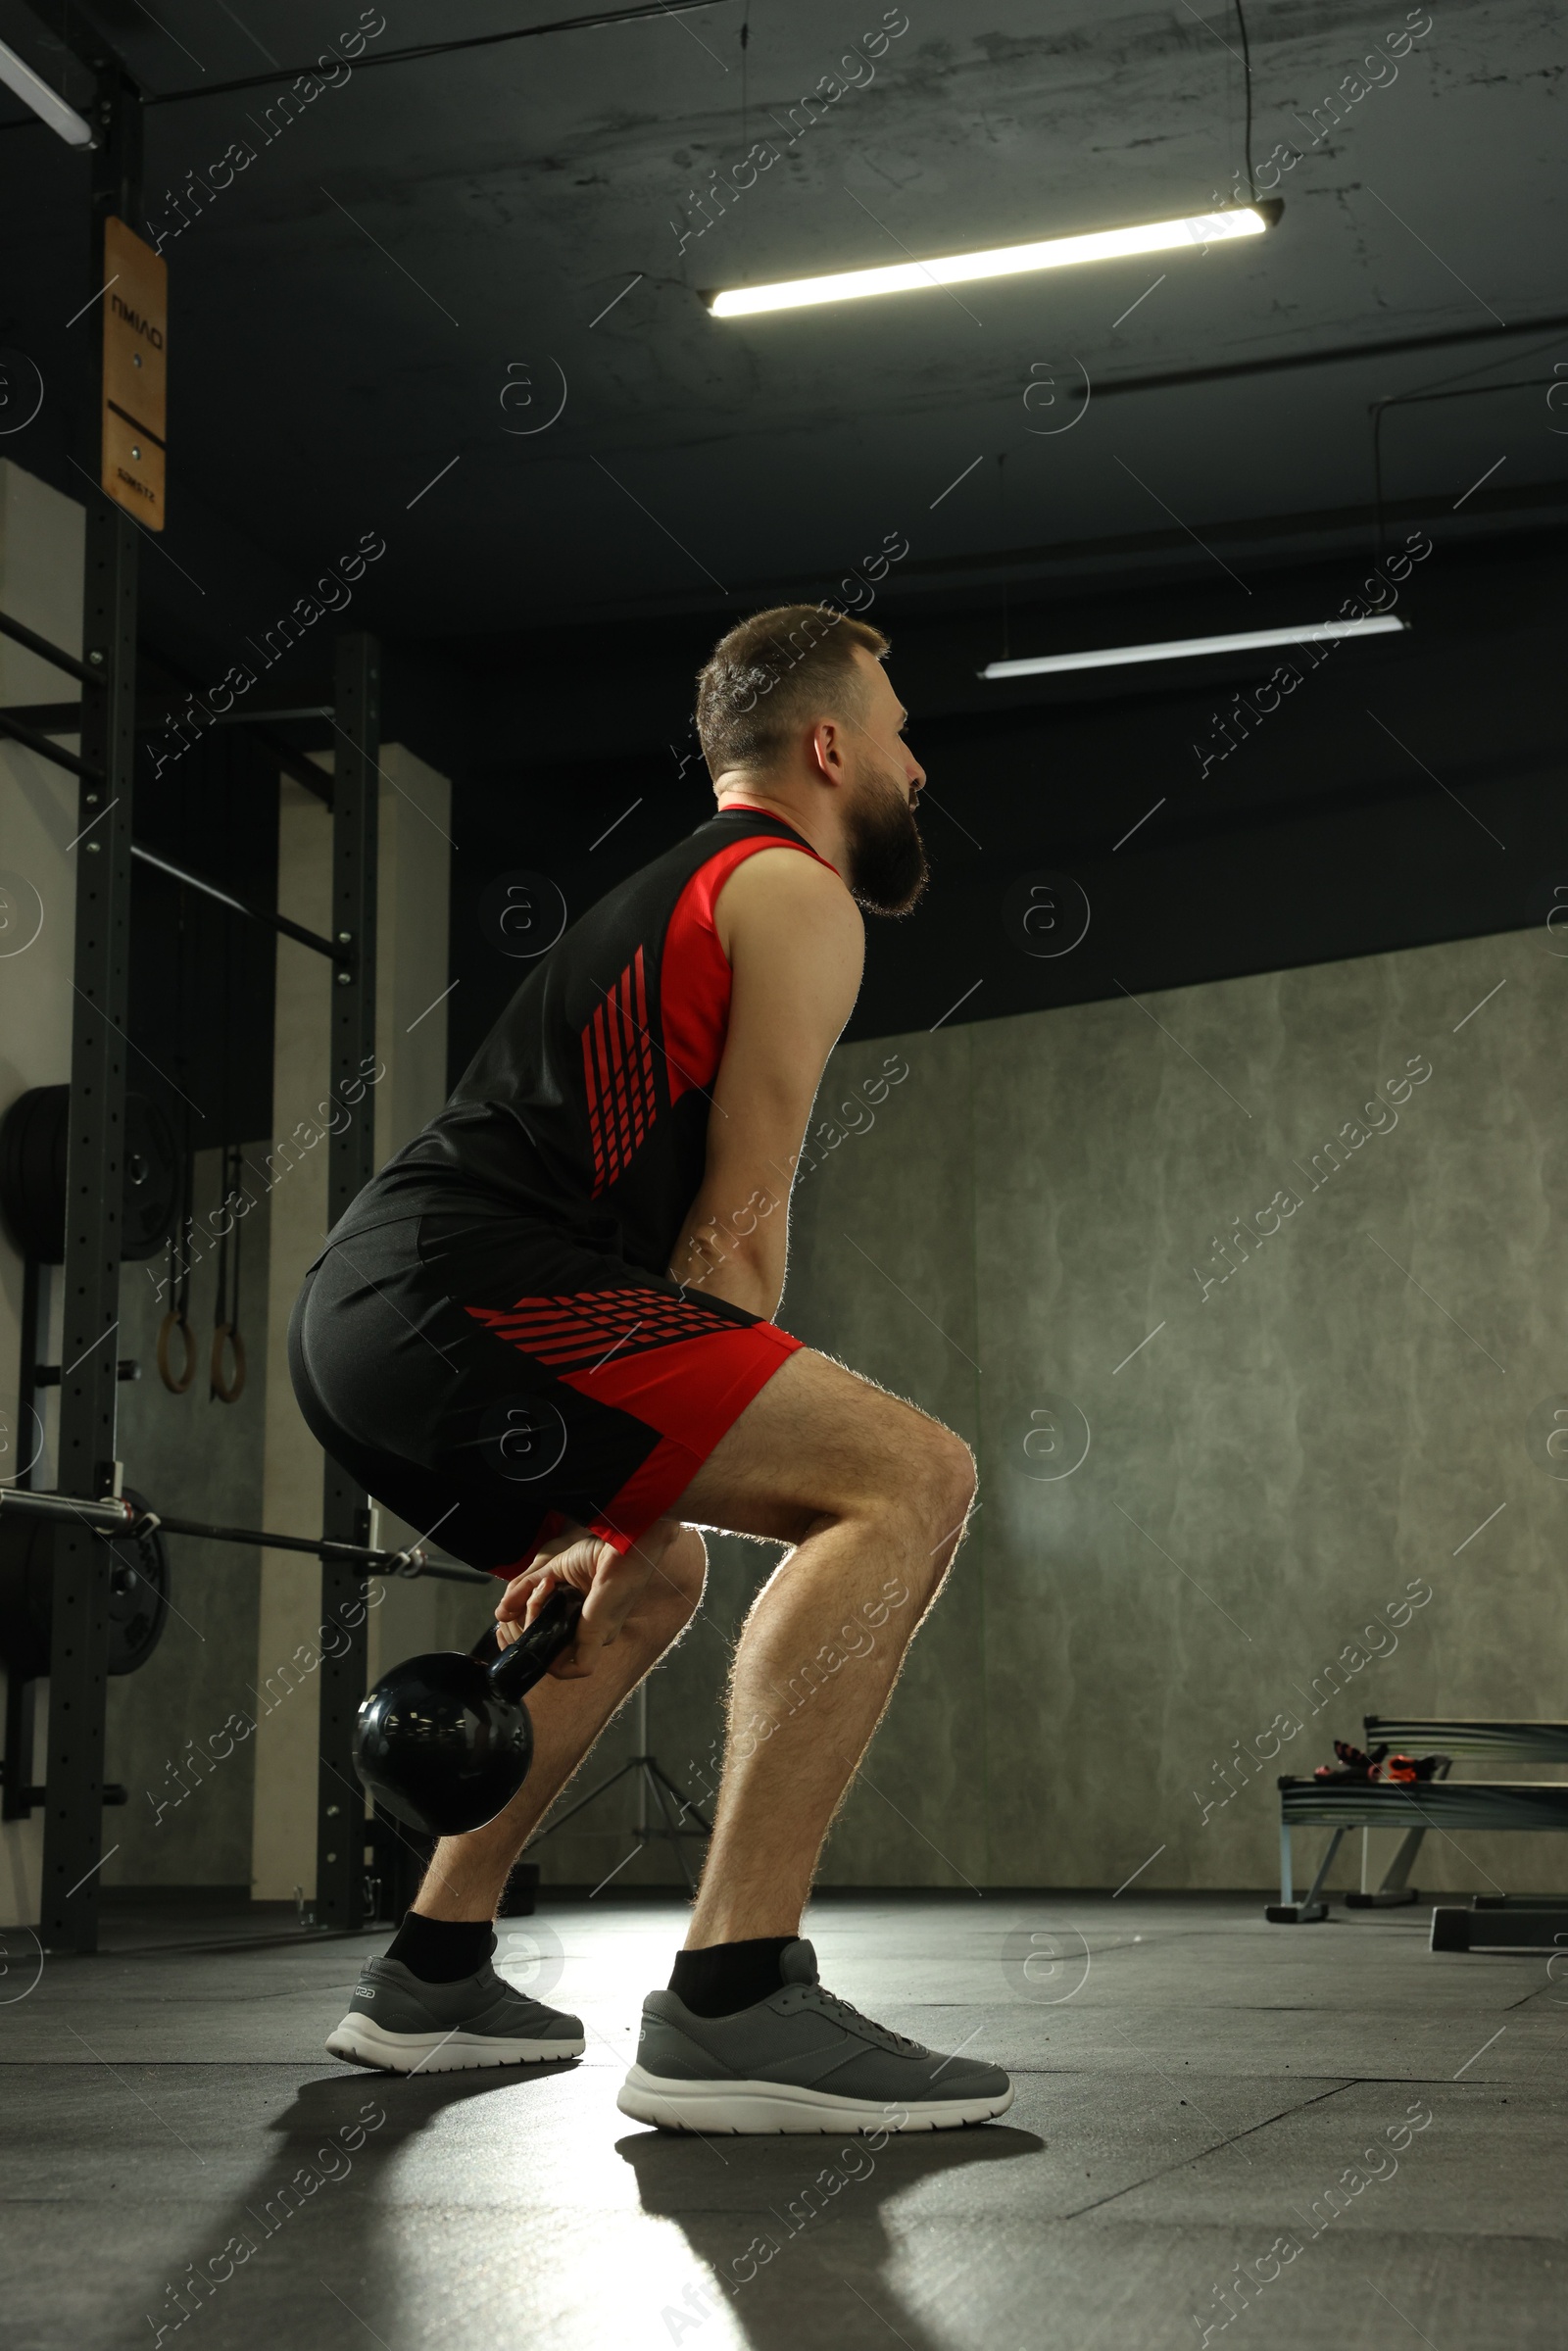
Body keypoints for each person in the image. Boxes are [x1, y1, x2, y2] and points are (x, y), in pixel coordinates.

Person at [289, 604, 1012, 2132]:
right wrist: (638, 1458)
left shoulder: (679, 886)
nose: (915, 763)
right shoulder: (793, 892)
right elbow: (737, 1234)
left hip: (377, 1303)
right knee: (908, 1476)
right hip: (465, 1290)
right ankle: (739, 1999)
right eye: (895, 728)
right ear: (829, 747)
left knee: (658, 1571)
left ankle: (430, 1970)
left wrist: (617, 1516)